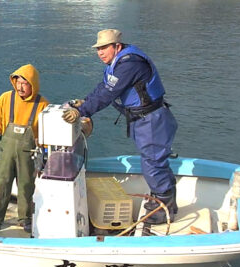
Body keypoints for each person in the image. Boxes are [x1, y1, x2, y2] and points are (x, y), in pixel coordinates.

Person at [62, 29, 178, 224]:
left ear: (117, 46)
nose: (100, 53)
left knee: (153, 163)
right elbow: (103, 87)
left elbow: (108, 93)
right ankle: (165, 201)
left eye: (104, 48)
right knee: (153, 161)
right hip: (143, 120)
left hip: (151, 120)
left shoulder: (129, 64)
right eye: (98, 49)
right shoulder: (118, 63)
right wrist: (85, 102)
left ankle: (162, 208)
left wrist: (82, 113)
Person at [0, 64, 49, 232]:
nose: (20, 87)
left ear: (33, 84)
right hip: (6, 151)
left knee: (26, 185)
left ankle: (25, 219)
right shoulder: (6, 99)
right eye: (18, 82)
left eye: (25, 83)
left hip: (28, 154)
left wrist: (46, 152)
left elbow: (45, 132)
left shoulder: (42, 104)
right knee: (1, 184)